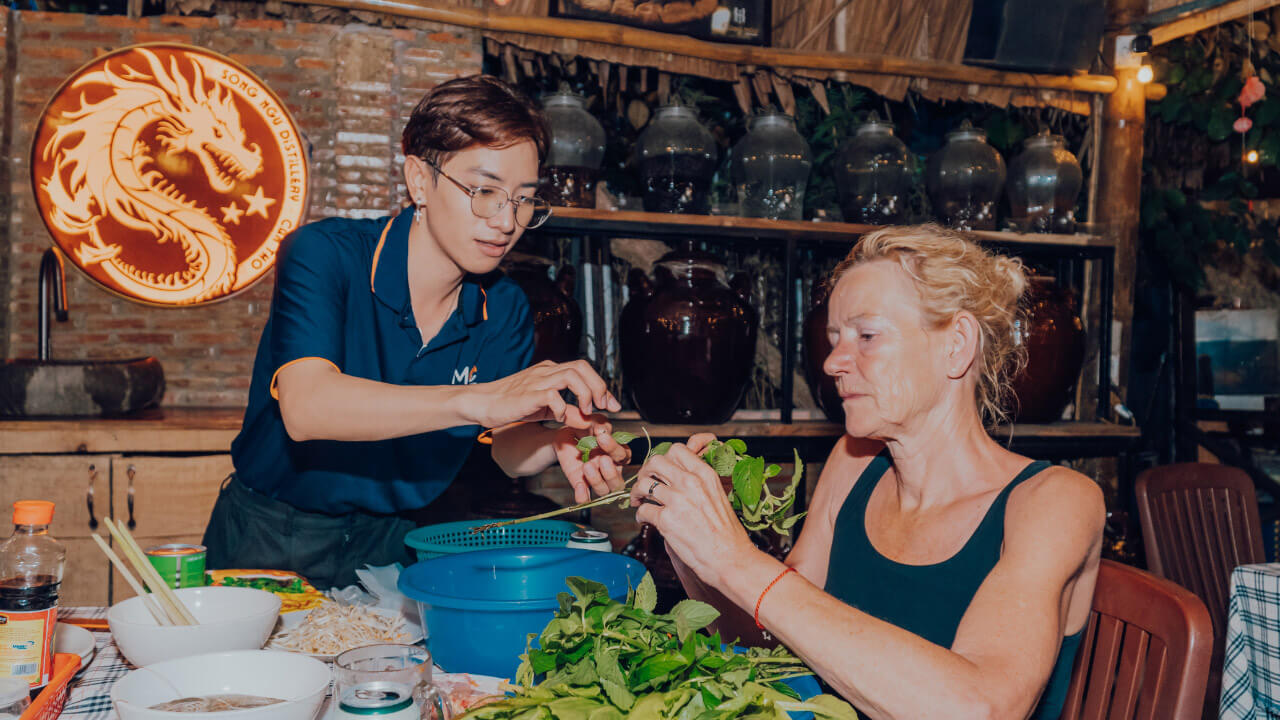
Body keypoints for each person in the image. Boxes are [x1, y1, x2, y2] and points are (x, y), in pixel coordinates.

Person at [630, 225, 1105, 720]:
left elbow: (981, 708)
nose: (834, 361)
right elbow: (765, 637)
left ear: (956, 344)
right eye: (835, 338)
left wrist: (736, 560)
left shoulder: (1055, 501)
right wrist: (690, 543)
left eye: (867, 335)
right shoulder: (853, 464)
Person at [203, 75, 630, 589]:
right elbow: (307, 408)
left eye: (523, 199)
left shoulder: (506, 306)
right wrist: (477, 399)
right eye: (484, 190)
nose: (506, 220)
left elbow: (505, 449)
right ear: (419, 181)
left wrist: (559, 438)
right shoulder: (325, 255)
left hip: (399, 542)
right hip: (271, 534)